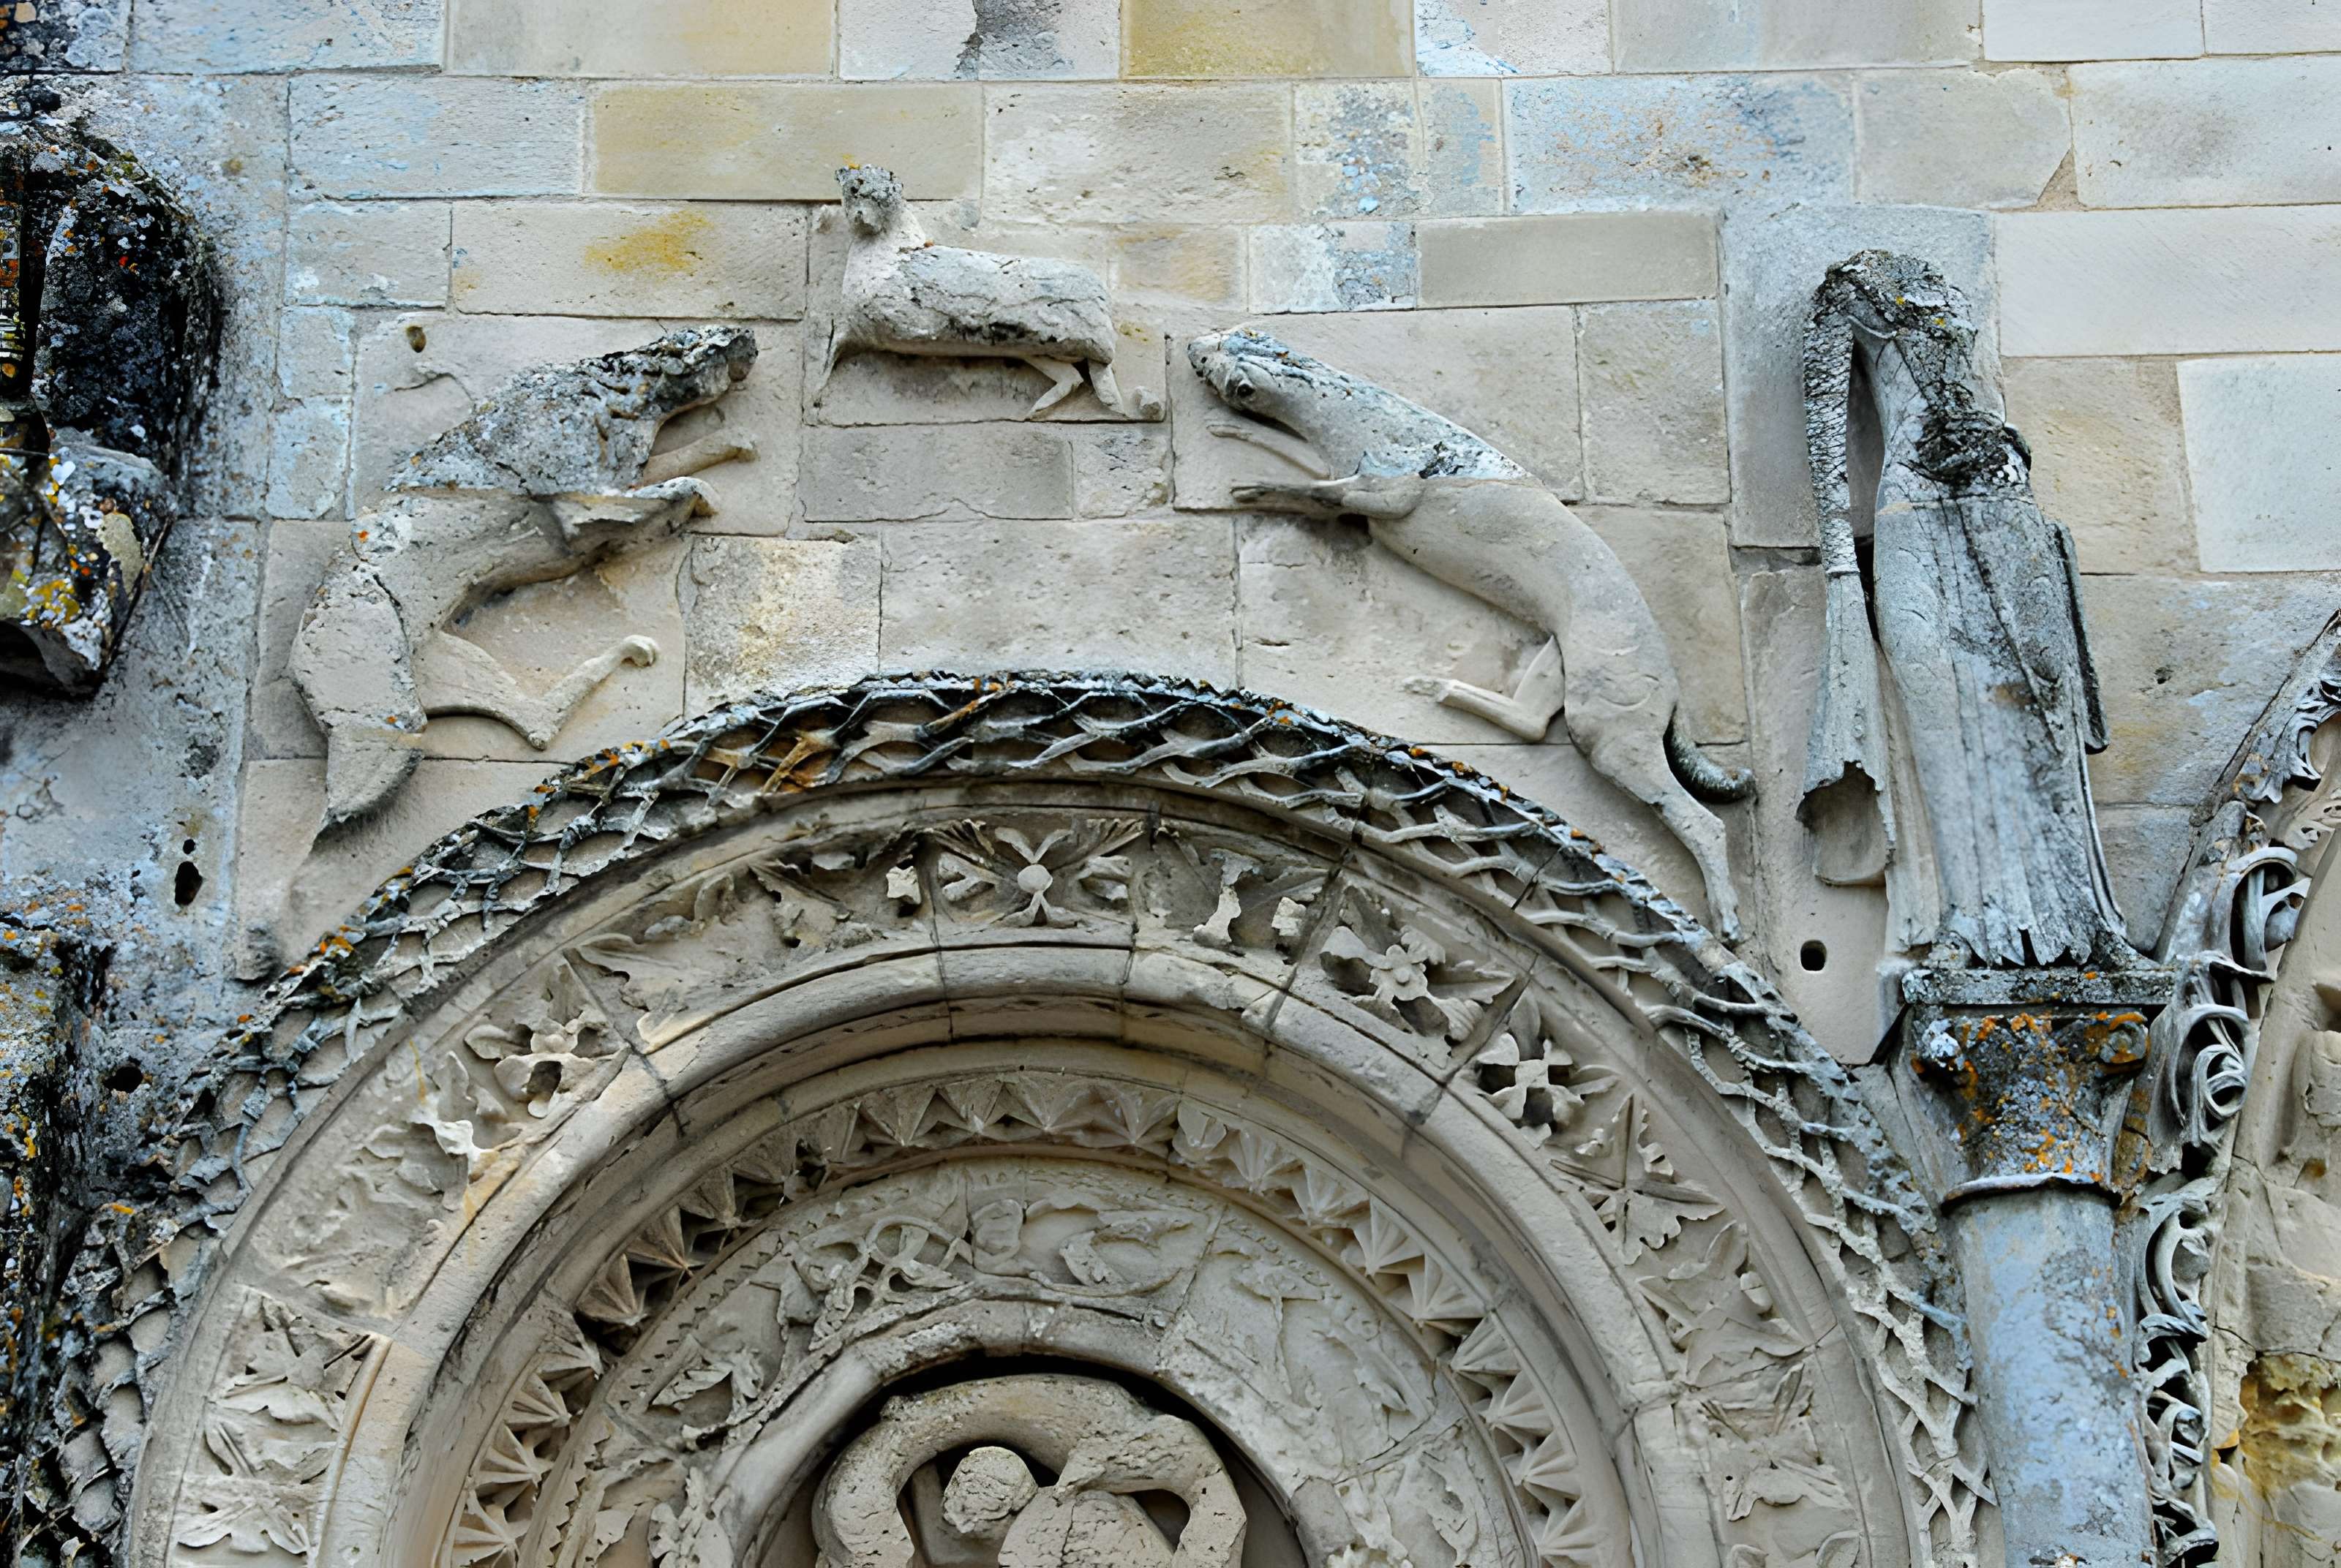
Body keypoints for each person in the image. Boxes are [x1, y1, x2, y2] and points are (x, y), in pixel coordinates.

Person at [1800, 251, 2140, 970]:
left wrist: (2004, 452)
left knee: (2044, 706)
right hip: (1910, 513)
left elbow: (1985, 404)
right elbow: (1824, 438)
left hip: (2000, 504)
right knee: (1936, 711)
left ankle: (2086, 920)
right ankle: (1963, 920)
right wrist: (1839, 567)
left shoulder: (1947, 292)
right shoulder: (1848, 290)